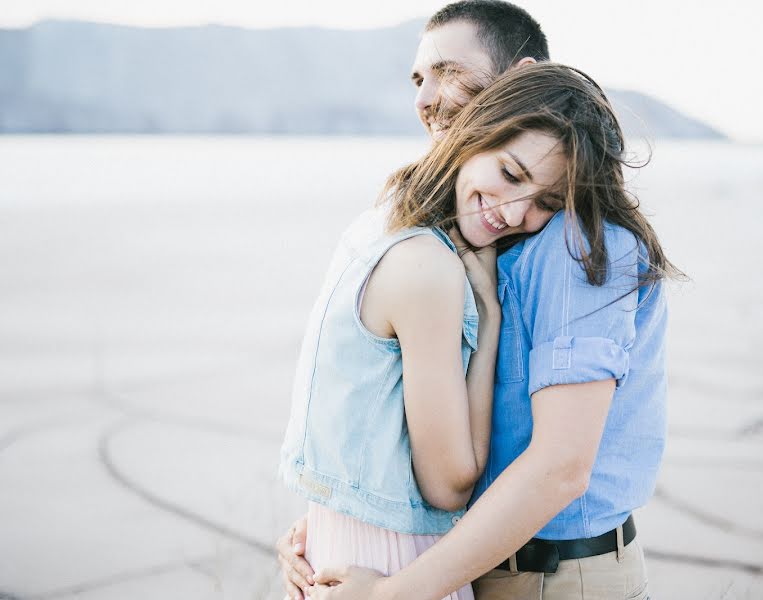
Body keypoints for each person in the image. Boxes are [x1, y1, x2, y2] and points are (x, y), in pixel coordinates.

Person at [278, 3, 677, 599]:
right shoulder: (475, 236)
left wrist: (389, 594)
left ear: (515, 84)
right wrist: (344, 519)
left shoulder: (577, 245)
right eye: (419, 78)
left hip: (551, 574)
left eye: (451, 72)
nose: (429, 98)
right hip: (475, 561)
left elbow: (559, 469)